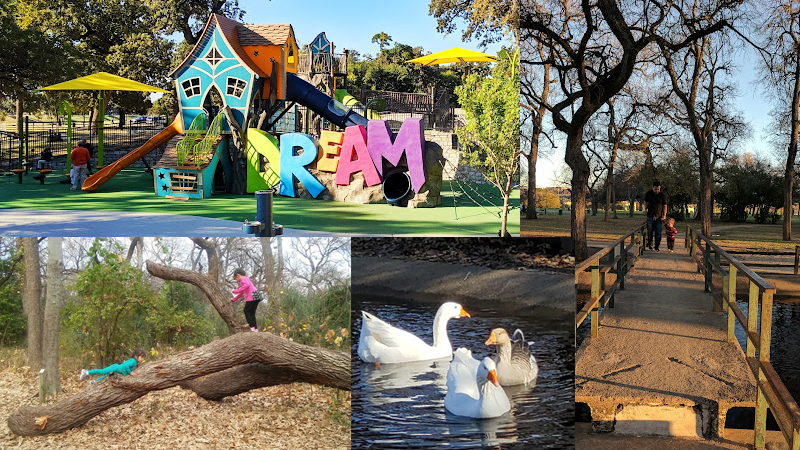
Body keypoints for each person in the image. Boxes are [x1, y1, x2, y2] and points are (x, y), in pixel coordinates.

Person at [80, 349, 145, 383]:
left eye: (143, 358)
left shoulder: (135, 363)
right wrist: (130, 372)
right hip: (116, 368)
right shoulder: (133, 361)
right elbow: (126, 366)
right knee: (102, 371)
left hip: (118, 370)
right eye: (141, 357)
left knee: (107, 376)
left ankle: (94, 382)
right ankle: (86, 372)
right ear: (136, 356)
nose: (142, 359)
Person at [644, 180, 667, 251]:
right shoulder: (649, 193)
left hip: (659, 216)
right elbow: (645, 201)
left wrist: (664, 215)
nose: (657, 190)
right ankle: (650, 244)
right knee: (650, 230)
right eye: (655, 189)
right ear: (653, 188)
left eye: (658, 189)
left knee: (658, 231)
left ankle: (657, 246)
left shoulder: (662, 195)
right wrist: (645, 209)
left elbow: (665, 205)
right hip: (650, 215)